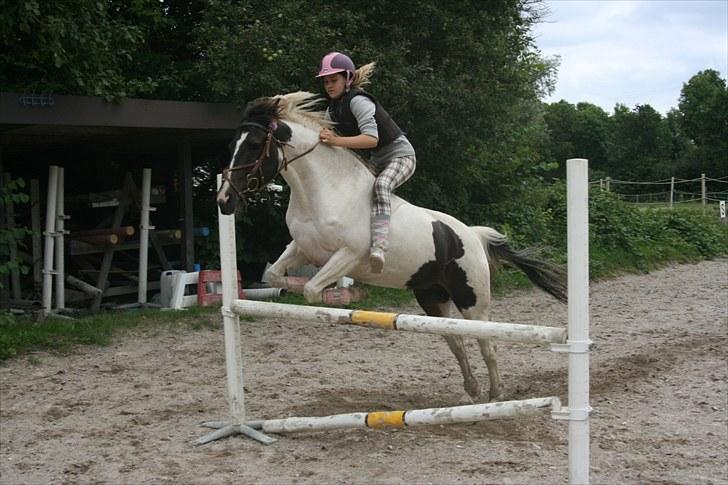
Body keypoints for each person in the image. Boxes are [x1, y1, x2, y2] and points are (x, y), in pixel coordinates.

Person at [316, 51, 416, 274]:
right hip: (378, 160)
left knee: (381, 186)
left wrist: (336, 140)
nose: (329, 86)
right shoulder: (332, 110)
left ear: (348, 79)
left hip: (402, 156)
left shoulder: (359, 101)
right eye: (326, 82)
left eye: (334, 80)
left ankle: (379, 246)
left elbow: (371, 139)